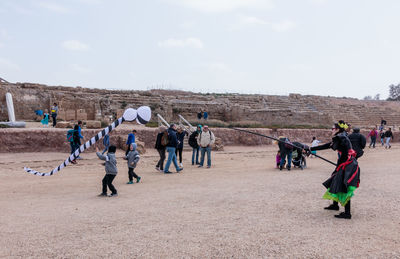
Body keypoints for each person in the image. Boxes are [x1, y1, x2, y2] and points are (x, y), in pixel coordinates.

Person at [310, 120, 360, 219]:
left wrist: (339, 167)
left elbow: (330, 146)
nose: (331, 130)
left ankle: (347, 213)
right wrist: (310, 149)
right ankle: (335, 205)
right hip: (345, 163)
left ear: (337, 129)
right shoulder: (342, 135)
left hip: (347, 165)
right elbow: (329, 145)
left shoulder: (340, 137)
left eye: (332, 128)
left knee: (344, 186)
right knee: (335, 181)